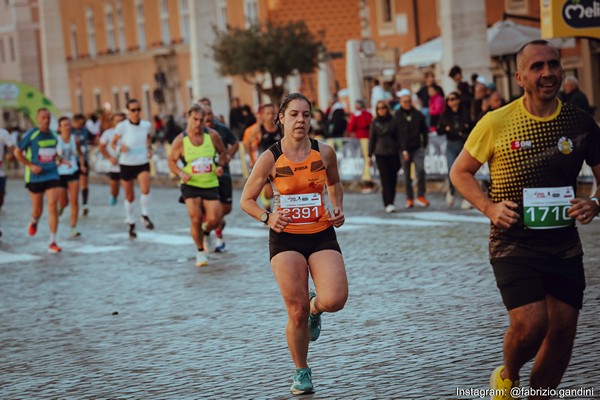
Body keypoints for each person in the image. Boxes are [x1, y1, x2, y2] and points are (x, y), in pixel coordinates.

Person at [449, 40, 600, 400]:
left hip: (563, 245)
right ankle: (508, 375)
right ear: (520, 77)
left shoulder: (580, 123)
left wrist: (594, 202)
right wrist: (489, 208)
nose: (547, 73)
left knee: (563, 331)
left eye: (553, 65)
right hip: (513, 241)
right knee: (532, 325)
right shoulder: (497, 122)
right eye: (537, 67)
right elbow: (460, 172)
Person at [240, 93, 348, 396]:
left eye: (306, 114)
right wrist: (267, 217)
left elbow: (334, 183)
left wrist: (336, 206)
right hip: (285, 237)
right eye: (294, 114)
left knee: (335, 299)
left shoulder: (324, 152)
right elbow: (246, 200)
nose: (300, 120)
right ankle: (302, 371)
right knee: (296, 310)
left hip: (321, 233)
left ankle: (317, 308)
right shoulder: (270, 157)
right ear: (281, 119)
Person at [168, 104, 228, 267]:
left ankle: (206, 230)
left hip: (210, 183)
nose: (198, 123)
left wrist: (220, 165)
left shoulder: (213, 136)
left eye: (201, 120)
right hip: (191, 184)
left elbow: (223, 153)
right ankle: (200, 252)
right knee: (194, 217)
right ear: (188, 118)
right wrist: (181, 174)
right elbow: (171, 162)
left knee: (215, 219)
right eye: (195, 119)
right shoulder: (181, 140)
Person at [13, 108, 63, 253]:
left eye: (48, 117)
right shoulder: (32, 134)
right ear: (38, 119)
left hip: (52, 174)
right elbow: (17, 152)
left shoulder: (54, 135)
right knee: (37, 210)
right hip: (35, 177)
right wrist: (30, 165)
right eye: (43, 118)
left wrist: (59, 160)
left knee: (53, 205)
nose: (46, 120)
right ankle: (34, 221)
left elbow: (53, 154)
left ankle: (52, 241)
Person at [112, 99, 155, 238]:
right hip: (127, 163)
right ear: (128, 112)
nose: (136, 113)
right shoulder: (122, 127)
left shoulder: (146, 125)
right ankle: (130, 221)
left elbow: (148, 138)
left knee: (146, 187)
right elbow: (113, 143)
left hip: (142, 161)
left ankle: (145, 214)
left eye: (138, 109)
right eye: (133, 110)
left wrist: (149, 148)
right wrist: (120, 148)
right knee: (130, 196)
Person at [203, 104, 239, 253]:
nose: (207, 117)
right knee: (214, 209)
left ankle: (211, 225)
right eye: (204, 115)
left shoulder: (221, 129)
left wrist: (228, 155)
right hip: (206, 176)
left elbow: (235, 143)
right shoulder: (194, 133)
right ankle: (217, 237)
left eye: (209, 113)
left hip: (223, 172)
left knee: (226, 209)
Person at [395, 90, 430, 208]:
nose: (407, 104)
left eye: (409, 101)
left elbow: (425, 130)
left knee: (420, 170)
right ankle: (409, 198)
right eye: (405, 102)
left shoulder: (418, 114)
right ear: (400, 102)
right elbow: (396, 134)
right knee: (406, 175)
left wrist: (424, 144)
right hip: (403, 149)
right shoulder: (397, 116)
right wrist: (402, 149)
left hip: (417, 147)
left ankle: (421, 195)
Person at [437, 91, 472, 208]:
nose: (452, 102)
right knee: (452, 170)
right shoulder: (445, 115)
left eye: (454, 99)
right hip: (451, 144)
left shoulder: (464, 113)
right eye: (449, 99)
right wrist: (447, 129)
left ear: (458, 100)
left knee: (465, 172)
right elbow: (439, 129)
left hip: (463, 145)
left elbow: (471, 126)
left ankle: (466, 197)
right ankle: (451, 191)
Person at [56, 116, 86, 237]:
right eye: (64, 125)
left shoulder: (75, 139)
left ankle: (73, 226)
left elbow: (79, 153)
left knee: (75, 200)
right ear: (60, 128)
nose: (67, 127)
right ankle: (61, 208)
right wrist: (59, 160)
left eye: (69, 125)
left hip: (73, 171)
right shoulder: (56, 140)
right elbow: (53, 155)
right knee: (64, 202)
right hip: (60, 173)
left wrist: (82, 164)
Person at [368, 100, 401, 212]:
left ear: (387, 109)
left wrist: (403, 150)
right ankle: (388, 203)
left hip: (393, 152)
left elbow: (399, 136)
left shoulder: (394, 120)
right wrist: (369, 155)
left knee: (393, 178)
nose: (381, 110)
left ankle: (392, 200)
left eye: (383, 108)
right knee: (385, 179)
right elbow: (372, 139)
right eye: (379, 108)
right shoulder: (374, 122)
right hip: (380, 153)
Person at [98, 112, 126, 205]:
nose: (119, 123)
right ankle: (112, 203)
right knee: (115, 190)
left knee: (128, 188)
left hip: (127, 163)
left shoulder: (129, 132)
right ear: (113, 122)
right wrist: (110, 158)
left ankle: (129, 208)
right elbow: (101, 147)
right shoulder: (108, 133)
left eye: (122, 121)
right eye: (117, 121)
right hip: (114, 165)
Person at [72, 114, 92, 216]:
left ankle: (85, 204)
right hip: (71, 161)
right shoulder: (69, 130)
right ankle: (71, 203)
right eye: (79, 123)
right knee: (72, 184)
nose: (81, 125)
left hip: (83, 159)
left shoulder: (85, 130)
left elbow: (93, 139)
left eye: (82, 123)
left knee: (84, 182)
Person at [0, 127, 16, 236]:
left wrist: (11, 154)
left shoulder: (3, 133)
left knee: (0, 199)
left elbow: (11, 148)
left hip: (0, 172)